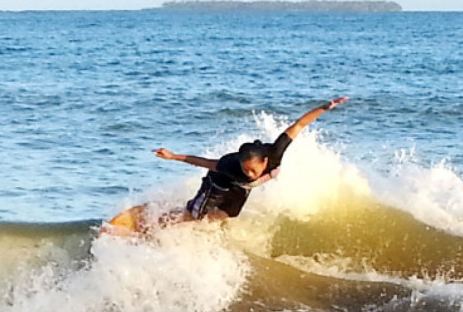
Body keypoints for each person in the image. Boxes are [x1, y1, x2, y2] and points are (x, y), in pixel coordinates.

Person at [102, 96, 349, 235]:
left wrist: (325, 106)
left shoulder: (274, 152)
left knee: (229, 215)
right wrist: (174, 156)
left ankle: (192, 229)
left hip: (238, 190)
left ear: (265, 161)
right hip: (217, 186)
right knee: (194, 215)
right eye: (246, 169)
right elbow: (203, 162)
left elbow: (298, 125)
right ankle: (152, 224)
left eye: (253, 169)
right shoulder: (231, 166)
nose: (249, 172)